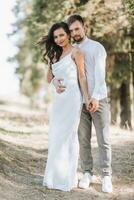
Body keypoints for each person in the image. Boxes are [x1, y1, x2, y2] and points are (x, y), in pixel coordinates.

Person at [54, 15, 112, 193]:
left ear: (84, 27)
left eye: (77, 29)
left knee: (104, 139)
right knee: (82, 139)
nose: (74, 33)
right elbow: (58, 71)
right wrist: (55, 81)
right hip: (78, 102)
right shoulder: (69, 49)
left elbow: (100, 76)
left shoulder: (96, 48)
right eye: (71, 31)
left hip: (98, 99)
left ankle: (106, 176)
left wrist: (94, 98)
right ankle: (87, 172)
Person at [42, 22, 90, 191]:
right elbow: (49, 79)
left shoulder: (76, 52)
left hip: (72, 99)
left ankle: (66, 179)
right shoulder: (53, 55)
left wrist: (87, 98)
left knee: (68, 136)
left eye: (61, 35)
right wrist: (54, 81)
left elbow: (82, 77)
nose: (59, 39)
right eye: (55, 37)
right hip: (58, 102)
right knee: (55, 135)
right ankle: (53, 177)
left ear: (68, 35)